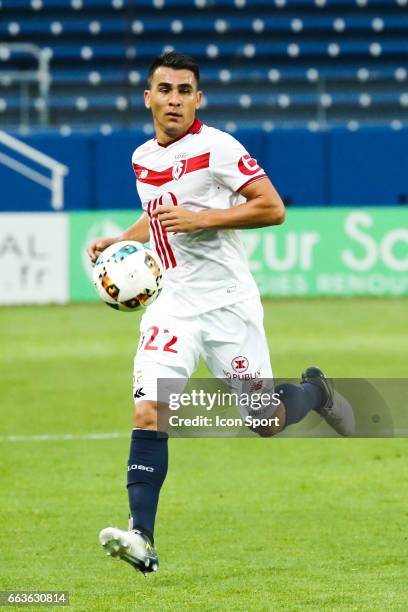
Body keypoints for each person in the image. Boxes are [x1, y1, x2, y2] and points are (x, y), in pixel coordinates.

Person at [88, 51, 354, 576]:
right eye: (165, 89)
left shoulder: (219, 149)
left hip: (228, 307)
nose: (174, 100)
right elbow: (157, 216)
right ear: (148, 98)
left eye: (185, 90)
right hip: (172, 307)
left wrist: (203, 217)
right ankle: (141, 538)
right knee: (150, 410)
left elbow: (272, 208)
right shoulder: (142, 157)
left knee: (265, 421)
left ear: (197, 98)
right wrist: (123, 239)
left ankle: (316, 391)